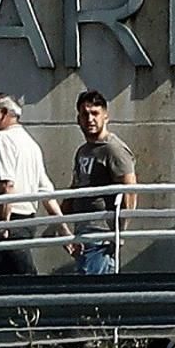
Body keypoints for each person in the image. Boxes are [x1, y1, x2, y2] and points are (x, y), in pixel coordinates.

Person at [0, 93, 71, 276]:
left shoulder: (3, 139)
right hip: (25, 222)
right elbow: (46, 193)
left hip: (7, 221)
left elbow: (6, 186)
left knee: (19, 278)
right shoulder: (31, 144)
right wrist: (65, 232)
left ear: (3, 113)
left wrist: (3, 226)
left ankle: (33, 303)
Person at [62, 90, 137, 275]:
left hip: (102, 235)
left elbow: (131, 192)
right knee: (85, 293)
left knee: (96, 293)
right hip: (82, 232)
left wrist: (119, 233)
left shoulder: (113, 149)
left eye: (95, 113)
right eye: (85, 114)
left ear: (106, 116)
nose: (90, 119)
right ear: (78, 118)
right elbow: (76, 188)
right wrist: (58, 223)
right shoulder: (83, 151)